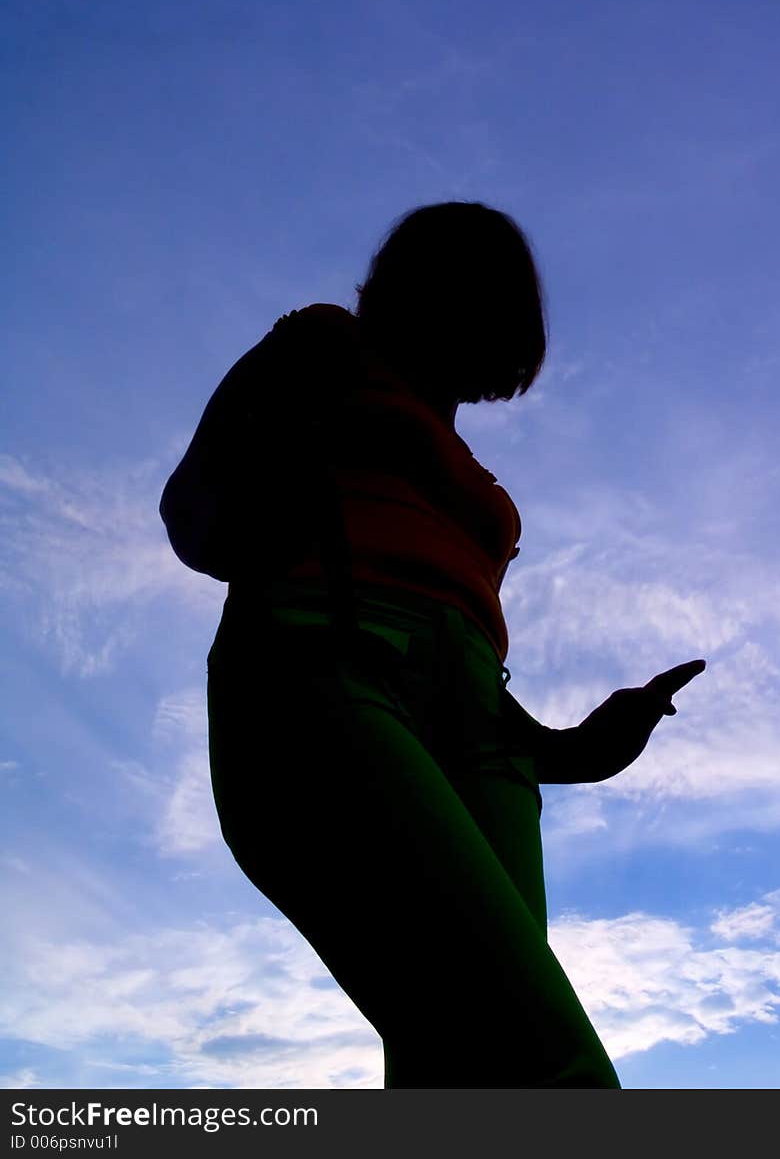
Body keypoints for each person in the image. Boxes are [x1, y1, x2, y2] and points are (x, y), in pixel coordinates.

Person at [163, 201, 705, 1088]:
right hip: (334, 670)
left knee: (456, 1065)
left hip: (487, 741)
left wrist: (580, 745)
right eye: (459, 278)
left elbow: (461, 639)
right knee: (543, 1065)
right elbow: (194, 511)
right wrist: (303, 568)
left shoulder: (467, 466)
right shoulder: (324, 346)